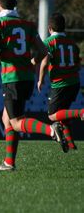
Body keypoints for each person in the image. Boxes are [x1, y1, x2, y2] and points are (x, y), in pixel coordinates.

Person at [0, 0, 68, 171]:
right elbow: (44, 51)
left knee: (14, 121)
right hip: (27, 76)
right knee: (7, 118)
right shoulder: (28, 24)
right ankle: (9, 163)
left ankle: (51, 130)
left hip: (12, 77)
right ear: (15, 4)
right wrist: (31, 61)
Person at [37, 12, 83, 150]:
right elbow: (78, 64)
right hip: (74, 82)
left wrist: (40, 80)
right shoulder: (73, 44)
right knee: (62, 113)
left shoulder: (49, 43)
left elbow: (44, 63)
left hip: (60, 84)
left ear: (49, 28)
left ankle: (81, 113)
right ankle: (71, 144)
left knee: (52, 115)